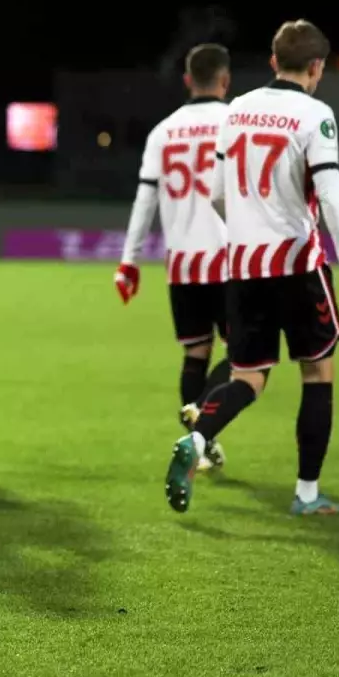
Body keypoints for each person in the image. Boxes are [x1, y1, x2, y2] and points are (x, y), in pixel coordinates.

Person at [167, 20, 339, 516]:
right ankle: (306, 495)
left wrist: (248, 230)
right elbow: (332, 194)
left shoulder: (237, 110)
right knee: (317, 373)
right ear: (317, 67)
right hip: (297, 262)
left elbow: (214, 192)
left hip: (243, 266)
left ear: (274, 62)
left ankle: (197, 438)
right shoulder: (315, 114)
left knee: (248, 377)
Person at [116, 43, 234, 472]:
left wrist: (128, 260)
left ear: (187, 80)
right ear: (225, 80)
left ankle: (199, 441)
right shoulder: (235, 122)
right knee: (245, 357)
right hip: (228, 259)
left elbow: (144, 202)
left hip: (182, 263)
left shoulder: (162, 132)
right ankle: (201, 417)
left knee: (195, 354)